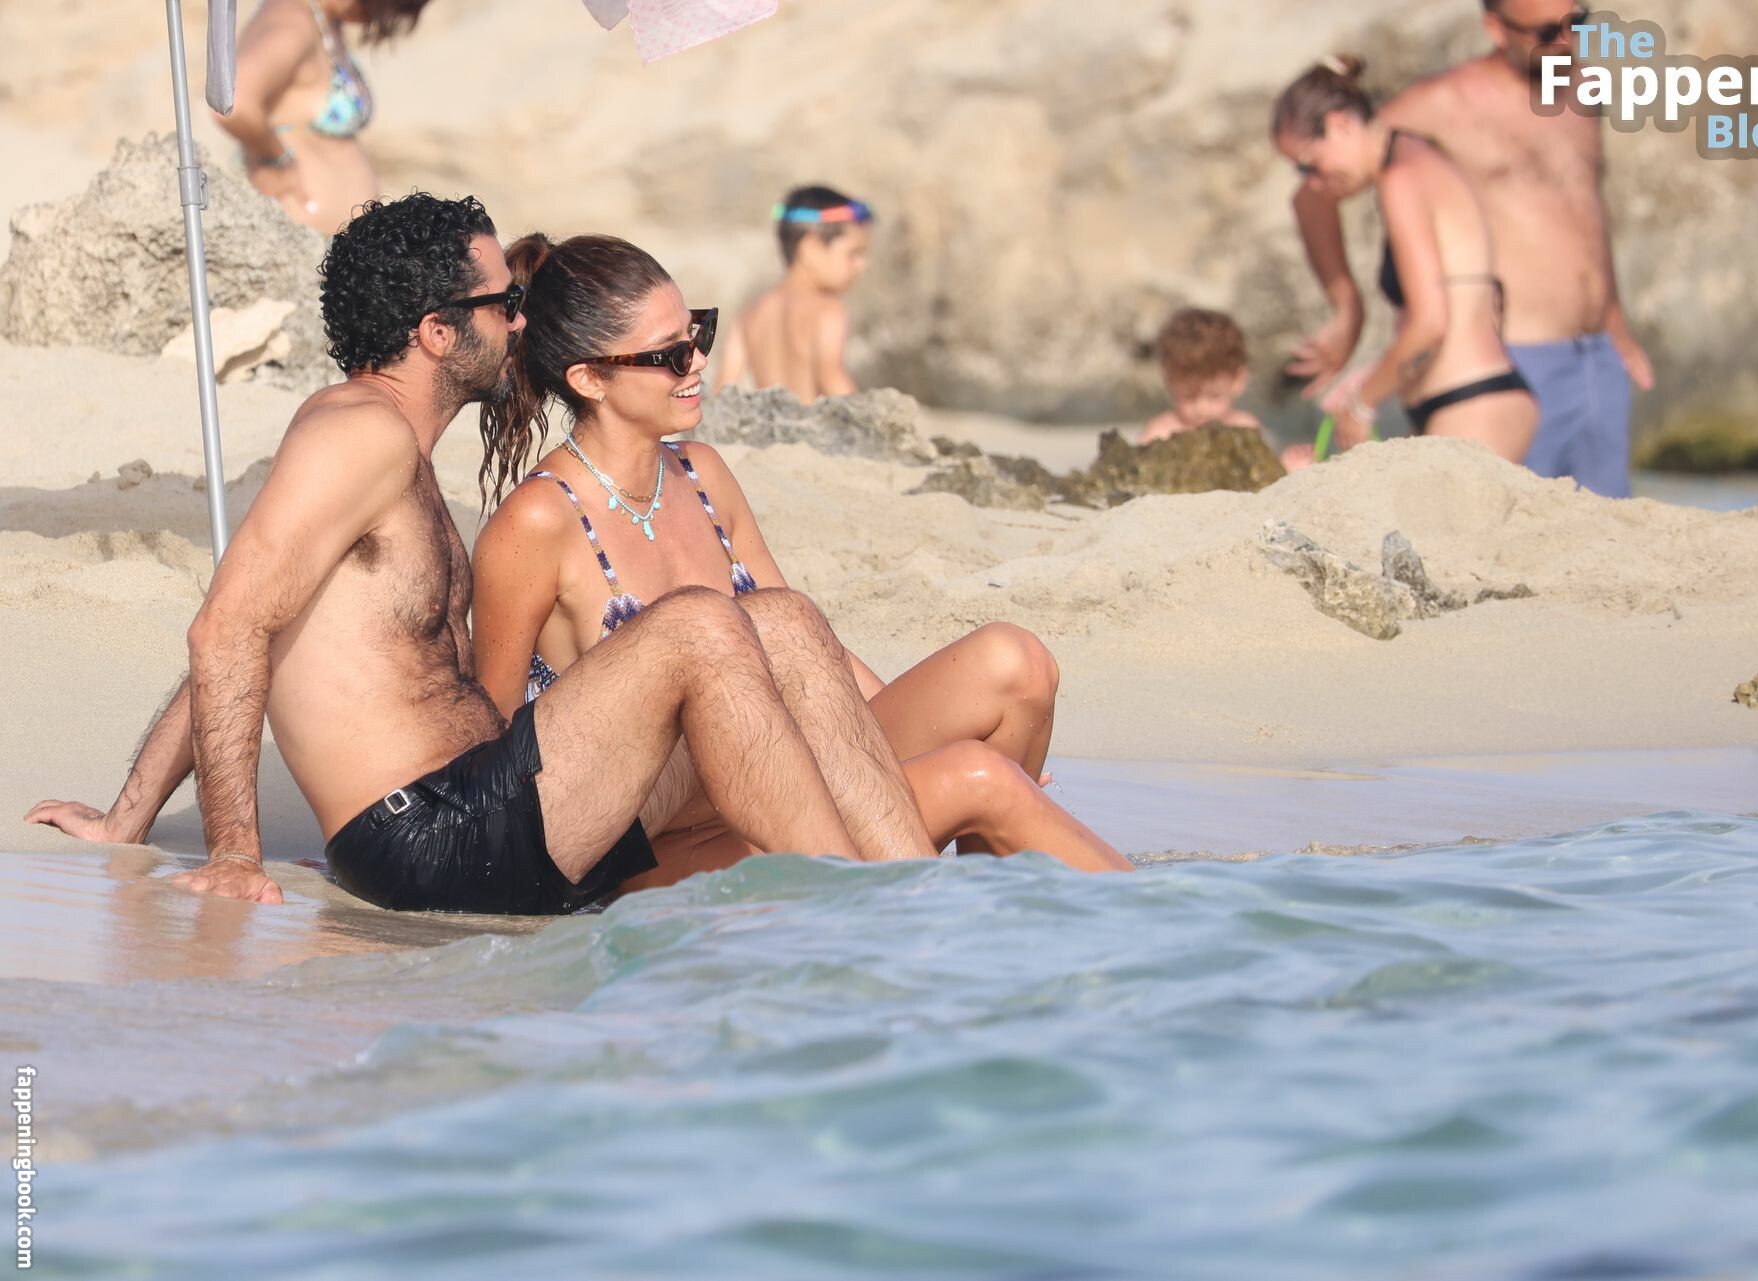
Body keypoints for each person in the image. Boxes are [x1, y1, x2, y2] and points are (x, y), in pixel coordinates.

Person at [24, 193, 954, 914]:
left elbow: (254, 625)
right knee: (701, 626)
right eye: (504, 304)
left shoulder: (397, 452)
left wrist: (129, 816)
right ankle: (857, 915)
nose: (521, 321)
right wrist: (234, 852)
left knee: (777, 622)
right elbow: (226, 627)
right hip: (430, 837)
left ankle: (917, 910)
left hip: (496, 802)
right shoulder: (355, 432)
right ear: (438, 332)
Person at [472, 233, 1132, 880]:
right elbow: (495, 745)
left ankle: (985, 907)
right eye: (670, 354)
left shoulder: (702, 473)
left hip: (789, 772)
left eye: (699, 331)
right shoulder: (538, 520)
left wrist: (895, 738)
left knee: (1016, 664)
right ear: (591, 378)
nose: (698, 361)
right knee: (980, 776)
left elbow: (811, 656)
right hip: (663, 841)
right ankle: (1021, 907)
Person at [1285, 1, 1654, 496]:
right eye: (1548, 31)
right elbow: (1318, 187)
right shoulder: (1442, 102)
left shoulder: (1581, 90)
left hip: (1597, 355)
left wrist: (1616, 323)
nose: (1567, 42)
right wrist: (1347, 309)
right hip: (1515, 353)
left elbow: (1586, 212)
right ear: (1495, 27)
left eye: (1578, 23)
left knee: (1608, 531)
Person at [1272, 57, 1538, 471]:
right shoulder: (1411, 160)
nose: (1313, 182)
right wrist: (1367, 363)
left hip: (1473, 400)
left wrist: (1362, 404)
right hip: (1463, 399)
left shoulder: (1403, 178)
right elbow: (1452, 313)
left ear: (1340, 125)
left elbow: (1431, 325)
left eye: (1308, 163)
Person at [216, 0, 428, 233]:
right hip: (304, 233)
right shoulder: (292, 20)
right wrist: (277, 160)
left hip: (341, 235)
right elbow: (234, 103)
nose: (377, 18)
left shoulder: (323, 20)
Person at [715, 185, 871, 403]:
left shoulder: (749, 315)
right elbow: (832, 379)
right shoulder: (828, 310)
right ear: (811, 250)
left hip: (773, 425)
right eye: (853, 254)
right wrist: (867, 417)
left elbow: (722, 391)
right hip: (813, 424)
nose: (862, 265)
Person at [1139, 308, 1266, 445]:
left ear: (1238, 381)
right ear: (1169, 382)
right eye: (1189, 396)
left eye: (1214, 396)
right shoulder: (1160, 434)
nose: (1201, 409)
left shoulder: (1246, 428)